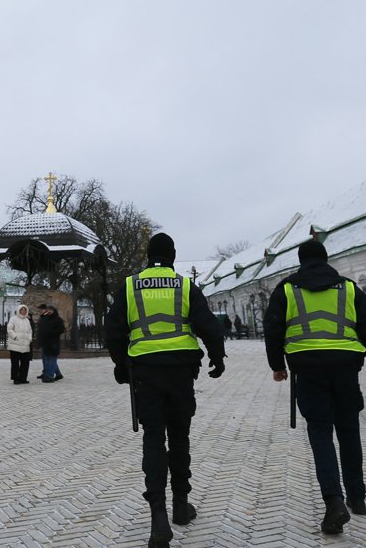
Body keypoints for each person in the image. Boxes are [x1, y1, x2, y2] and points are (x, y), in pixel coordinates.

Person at [106, 232, 225, 548]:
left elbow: (114, 330)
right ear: (172, 256)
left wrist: (121, 365)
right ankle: (181, 506)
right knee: (180, 437)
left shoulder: (130, 287)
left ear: (148, 256)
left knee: (153, 439)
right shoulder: (185, 286)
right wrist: (217, 357)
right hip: (181, 372)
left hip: (145, 373)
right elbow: (209, 326)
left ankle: (158, 515)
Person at [264, 239, 366, 536]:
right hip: (346, 367)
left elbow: (273, 328)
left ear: (300, 260)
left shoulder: (287, 289)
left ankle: (333, 501)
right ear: (326, 258)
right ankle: (357, 498)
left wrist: (277, 365)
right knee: (349, 431)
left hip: (307, 369)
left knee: (320, 433)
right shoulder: (348, 288)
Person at [36, 303, 66, 382]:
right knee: (47, 359)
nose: (49, 312)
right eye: (48, 310)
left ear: (54, 311)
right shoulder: (46, 319)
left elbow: (61, 330)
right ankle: (49, 374)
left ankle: (49, 376)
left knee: (52, 359)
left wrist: (51, 332)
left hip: (53, 342)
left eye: (50, 310)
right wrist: (43, 316)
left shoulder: (57, 319)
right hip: (46, 342)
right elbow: (42, 327)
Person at [6, 305, 34, 385]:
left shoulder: (27, 320)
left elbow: (30, 331)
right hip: (15, 345)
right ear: (19, 310)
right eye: (22, 310)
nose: (23, 311)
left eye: (25, 310)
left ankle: (23, 378)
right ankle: (15, 378)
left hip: (25, 345)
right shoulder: (13, 319)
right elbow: (9, 329)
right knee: (15, 363)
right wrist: (15, 337)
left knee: (25, 363)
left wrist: (29, 339)